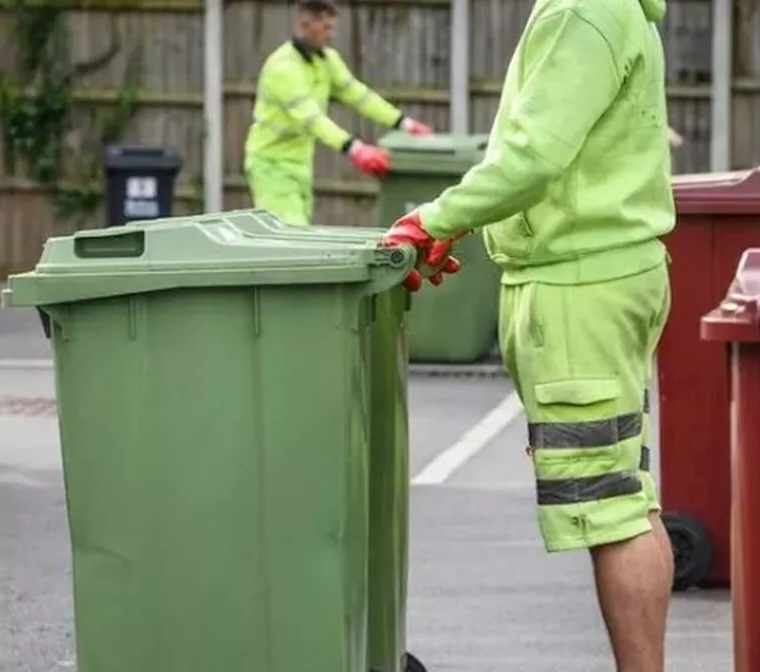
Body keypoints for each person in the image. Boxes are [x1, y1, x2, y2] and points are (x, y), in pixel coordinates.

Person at [382, 0, 676, 670]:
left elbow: (534, 156)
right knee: (630, 497)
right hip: (607, 271)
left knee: (610, 511)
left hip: (579, 287)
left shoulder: (582, 8)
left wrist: (432, 218)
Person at [243, 0, 434, 227]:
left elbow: (358, 95)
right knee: (289, 236)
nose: (331, 35)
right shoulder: (282, 68)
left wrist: (404, 123)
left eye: (333, 27)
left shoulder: (326, 60)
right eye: (326, 28)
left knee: (296, 233)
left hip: (301, 164)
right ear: (306, 24)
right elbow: (311, 119)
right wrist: (355, 149)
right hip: (271, 165)